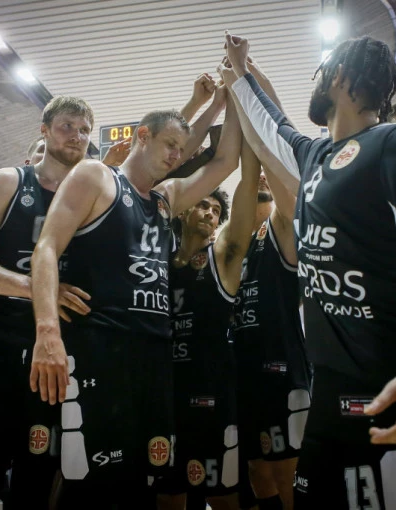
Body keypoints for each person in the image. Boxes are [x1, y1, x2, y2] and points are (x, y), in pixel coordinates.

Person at [223, 33, 396, 507]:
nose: (314, 84)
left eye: (319, 75)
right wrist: (239, 71)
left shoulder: (394, 142)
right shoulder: (317, 156)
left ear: (340, 77)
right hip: (330, 393)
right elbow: (272, 125)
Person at [29, 87, 241, 506]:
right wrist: (47, 330)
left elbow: (224, 162)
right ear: (143, 136)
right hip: (101, 349)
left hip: (155, 355)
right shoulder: (96, 176)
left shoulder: (166, 200)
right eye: (170, 145)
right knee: (90, 485)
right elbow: (46, 248)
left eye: (181, 149)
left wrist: (231, 98)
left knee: (143, 487)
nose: (177, 156)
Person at [0, 96, 97, 510]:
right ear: (44, 130)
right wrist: (39, 287)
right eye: (67, 126)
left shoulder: (97, 196)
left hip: (59, 360)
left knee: (35, 490)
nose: (77, 136)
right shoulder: (9, 181)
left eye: (84, 130)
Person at [159, 138, 259, 510]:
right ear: (184, 210)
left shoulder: (222, 258)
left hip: (212, 396)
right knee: (168, 497)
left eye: (216, 210)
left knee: (223, 498)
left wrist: (248, 147)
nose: (210, 213)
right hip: (167, 394)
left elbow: (246, 198)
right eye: (202, 204)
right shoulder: (158, 260)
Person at [233, 162, 308, 510]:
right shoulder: (230, 247)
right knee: (257, 472)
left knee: (286, 474)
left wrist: (264, 159)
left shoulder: (278, 233)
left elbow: (287, 207)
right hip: (244, 375)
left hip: (281, 371)